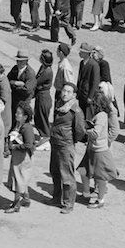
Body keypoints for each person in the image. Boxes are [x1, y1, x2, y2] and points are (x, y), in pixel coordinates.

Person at [77, 93, 118, 209]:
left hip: (99, 151)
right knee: (83, 170)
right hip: (92, 149)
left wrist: (84, 130)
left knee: (100, 177)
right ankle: (86, 193)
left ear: (97, 104)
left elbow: (96, 133)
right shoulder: (100, 115)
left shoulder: (101, 116)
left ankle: (100, 200)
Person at [50, 82, 85, 213]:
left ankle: (68, 203)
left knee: (67, 175)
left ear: (74, 95)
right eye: (64, 91)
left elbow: (80, 130)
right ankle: (56, 197)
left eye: (68, 92)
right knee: (55, 172)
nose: (65, 93)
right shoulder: (60, 104)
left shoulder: (76, 110)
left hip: (66, 145)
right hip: (55, 142)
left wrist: (70, 140)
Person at [6, 101, 36, 213]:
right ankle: (26, 199)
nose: (16, 115)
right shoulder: (20, 125)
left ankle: (16, 204)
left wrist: (15, 147)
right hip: (18, 157)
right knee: (21, 178)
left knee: (18, 179)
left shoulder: (26, 128)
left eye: (19, 113)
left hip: (22, 158)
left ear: (25, 116)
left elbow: (28, 144)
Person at [8, 50, 36, 121]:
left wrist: (15, 87)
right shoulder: (15, 69)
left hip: (24, 101)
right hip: (14, 99)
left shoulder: (30, 73)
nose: (18, 63)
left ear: (26, 61)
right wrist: (16, 83)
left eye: (21, 61)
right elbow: (8, 80)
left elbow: (27, 90)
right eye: (17, 61)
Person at [34, 49, 54, 145]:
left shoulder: (47, 71)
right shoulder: (43, 68)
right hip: (40, 95)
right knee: (38, 116)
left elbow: (36, 81)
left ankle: (45, 136)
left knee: (42, 117)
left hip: (43, 96)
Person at [76, 43, 100, 117]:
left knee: (88, 116)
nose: (79, 53)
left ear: (86, 53)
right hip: (81, 94)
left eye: (81, 52)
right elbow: (79, 78)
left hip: (88, 95)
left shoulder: (94, 65)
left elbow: (95, 82)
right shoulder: (81, 63)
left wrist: (91, 96)